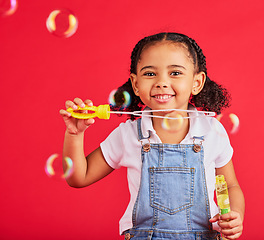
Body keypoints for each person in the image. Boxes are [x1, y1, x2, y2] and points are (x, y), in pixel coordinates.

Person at [60, 32, 245, 240]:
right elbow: (78, 177)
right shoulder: (128, 133)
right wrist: (75, 134)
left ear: (197, 82)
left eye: (175, 73)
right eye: (150, 74)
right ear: (136, 84)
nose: (161, 82)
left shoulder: (212, 131)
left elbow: (231, 186)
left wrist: (235, 215)